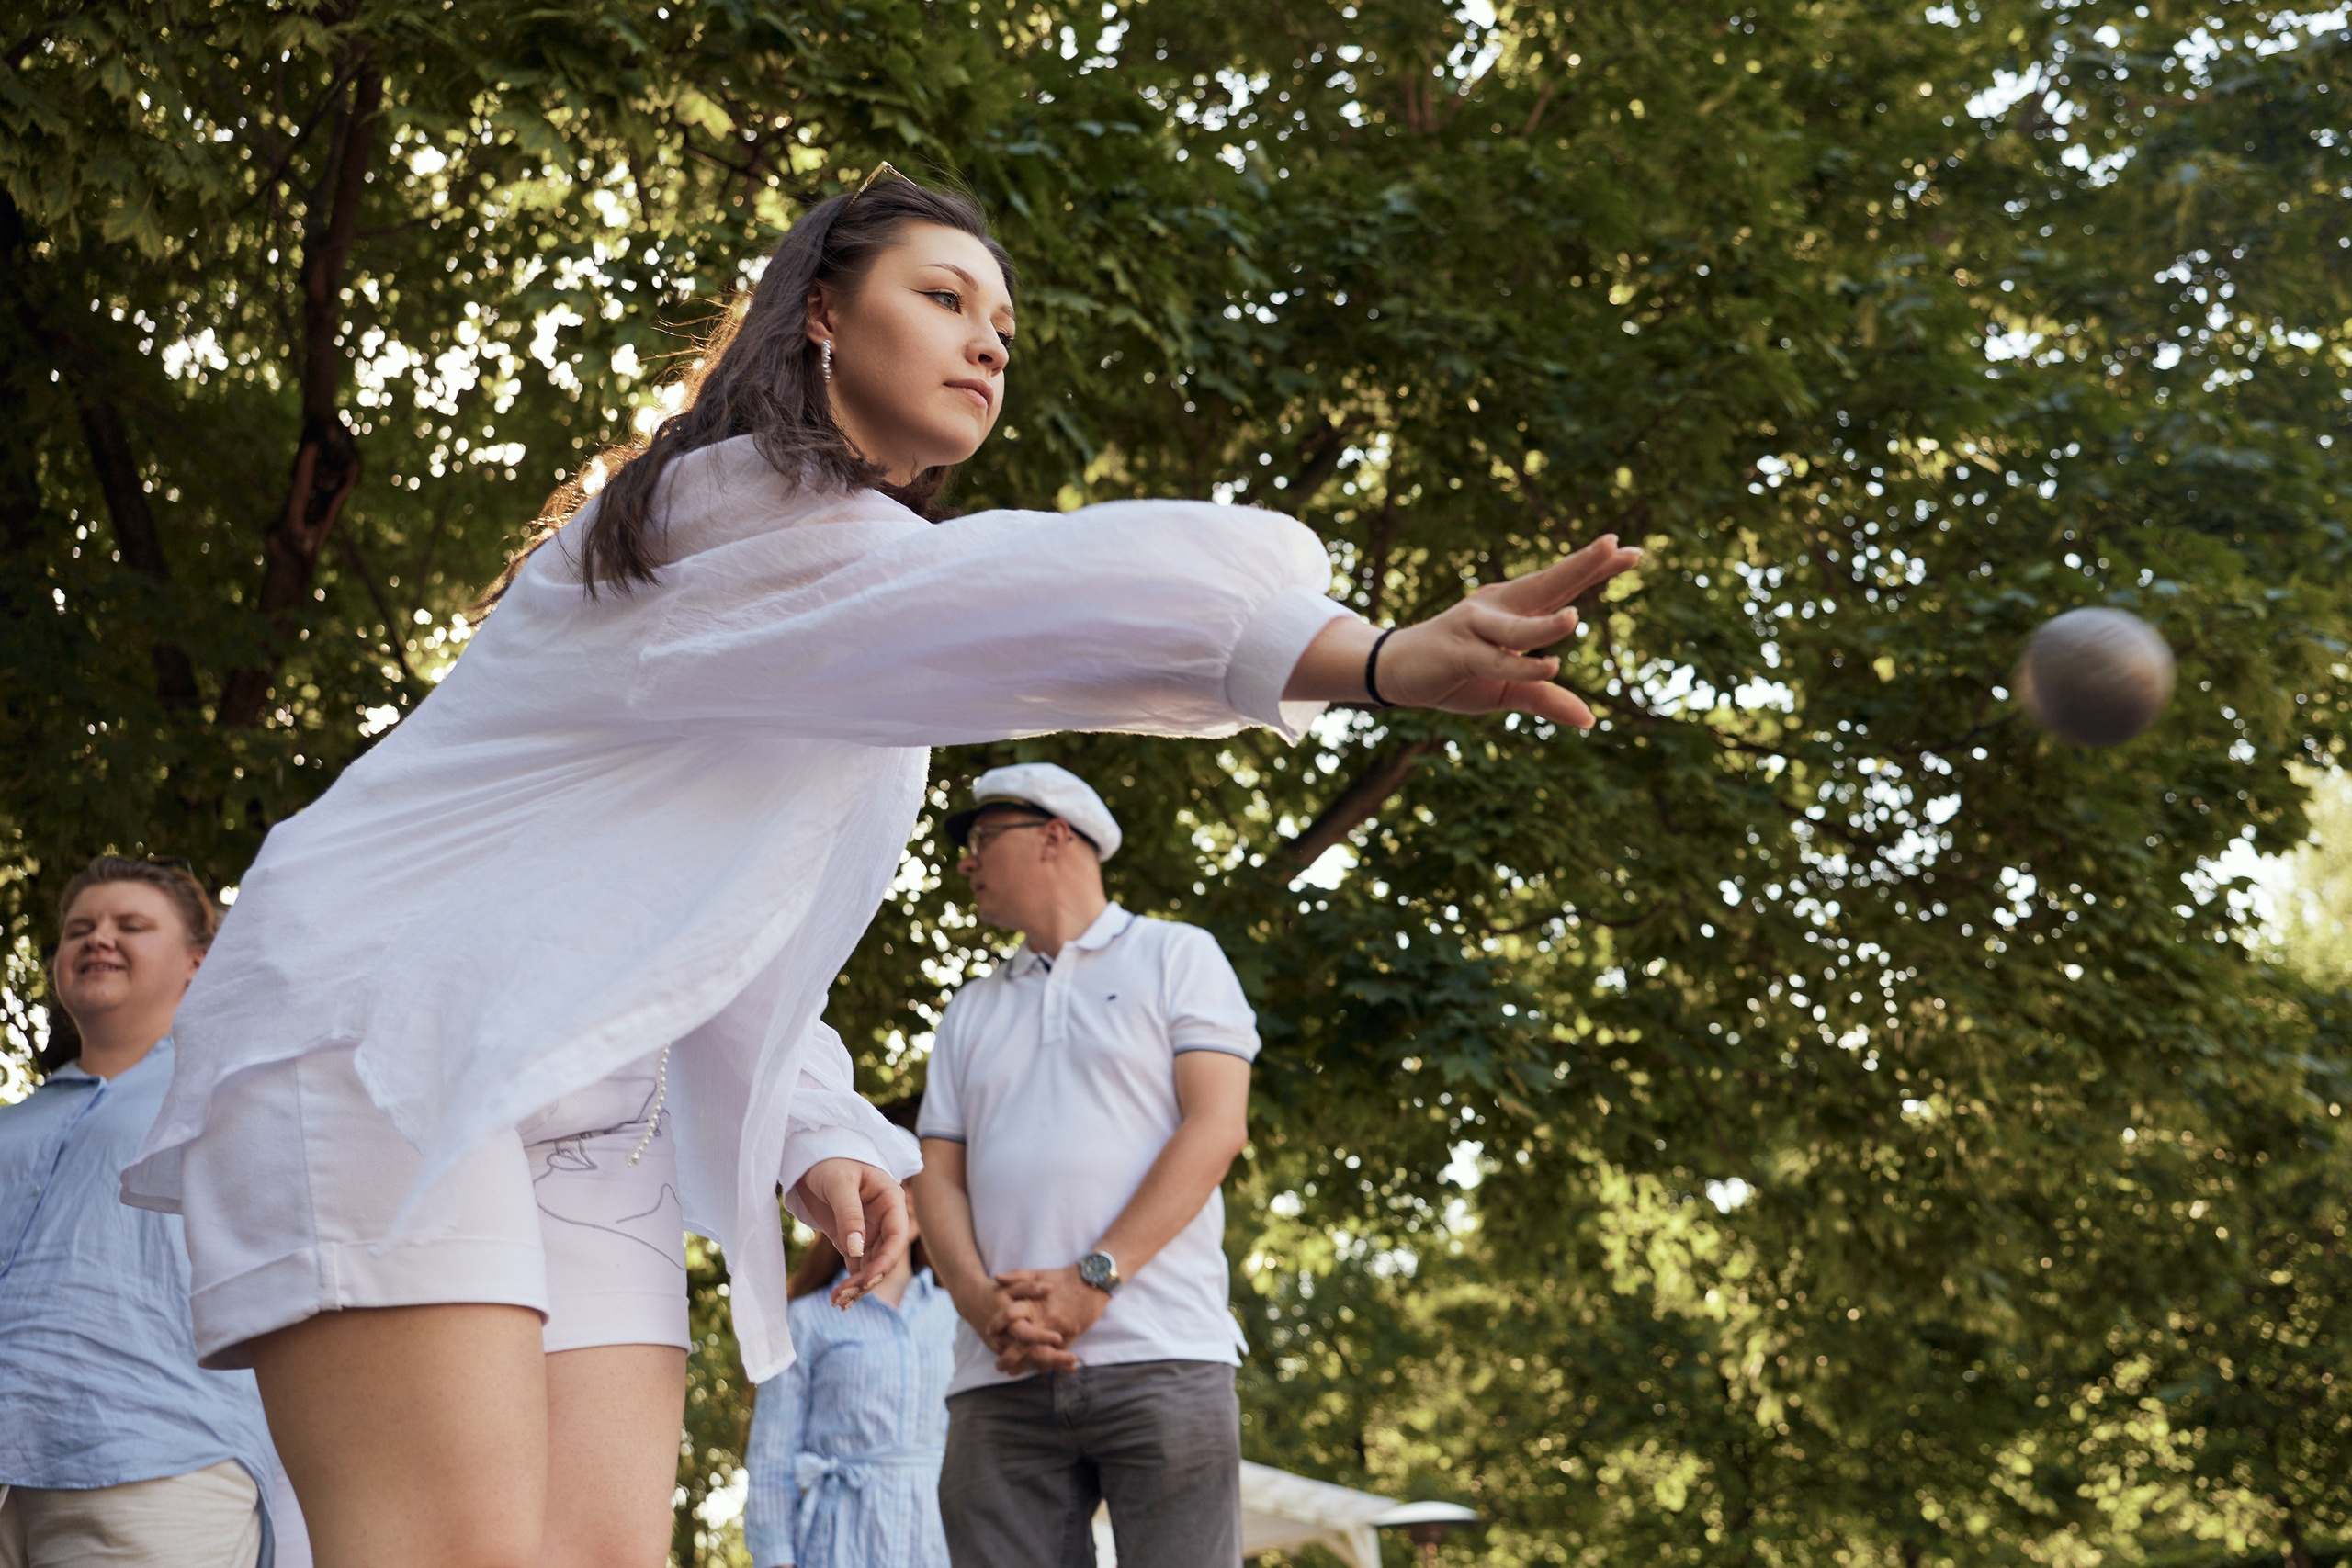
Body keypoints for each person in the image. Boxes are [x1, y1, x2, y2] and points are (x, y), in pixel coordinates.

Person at [123, 164, 1642, 1567]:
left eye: (1003, 320)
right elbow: (1018, 598)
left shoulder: (853, 629)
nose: (988, 341)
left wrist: (817, 1126)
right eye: (943, 295)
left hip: (592, 1104)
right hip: (382, 1033)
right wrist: (1360, 656)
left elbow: (709, 930)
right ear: (824, 314)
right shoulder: (709, 521)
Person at [914, 765, 1260, 1566]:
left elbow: (1218, 1126)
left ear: (1055, 835)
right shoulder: (970, 1008)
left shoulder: (1180, 954)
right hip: (997, 1373)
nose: (965, 862)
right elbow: (934, 1171)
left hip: (1164, 1352)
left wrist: (1092, 1278)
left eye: (980, 839)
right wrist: (980, 1304)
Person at [0, 857, 280, 1566]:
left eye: (131, 925)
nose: (97, 939)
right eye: (78, 928)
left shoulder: (238, 1090)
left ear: (197, 961)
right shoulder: (18, 1120)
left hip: (158, 1454)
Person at [744, 1102, 956, 1568]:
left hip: (934, 1542)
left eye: (914, 1186)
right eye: (892, 1183)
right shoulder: (807, 1319)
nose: (906, 1199)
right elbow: (772, 1456)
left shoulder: (955, 1316)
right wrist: (776, 1557)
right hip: (835, 1543)